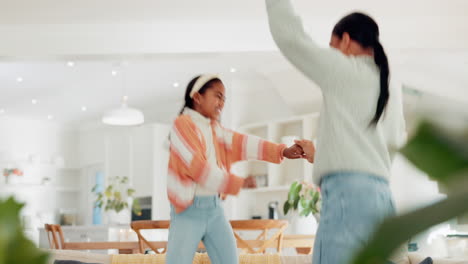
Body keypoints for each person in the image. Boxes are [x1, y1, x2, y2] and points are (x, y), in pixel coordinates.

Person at [266, 1, 407, 263]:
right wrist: (319, 156)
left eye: (333, 47)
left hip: (347, 198)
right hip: (381, 197)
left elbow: (292, 39)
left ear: (345, 41)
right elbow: (392, 142)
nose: (332, 53)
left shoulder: (344, 69)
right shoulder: (391, 85)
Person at [166, 74, 307, 264]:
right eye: (217, 96)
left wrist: (282, 150)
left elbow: (244, 143)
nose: (222, 103)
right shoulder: (181, 125)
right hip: (188, 212)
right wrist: (238, 183)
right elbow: (197, 168)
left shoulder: (215, 130)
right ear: (197, 97)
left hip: (215, 210)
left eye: (224, 98)